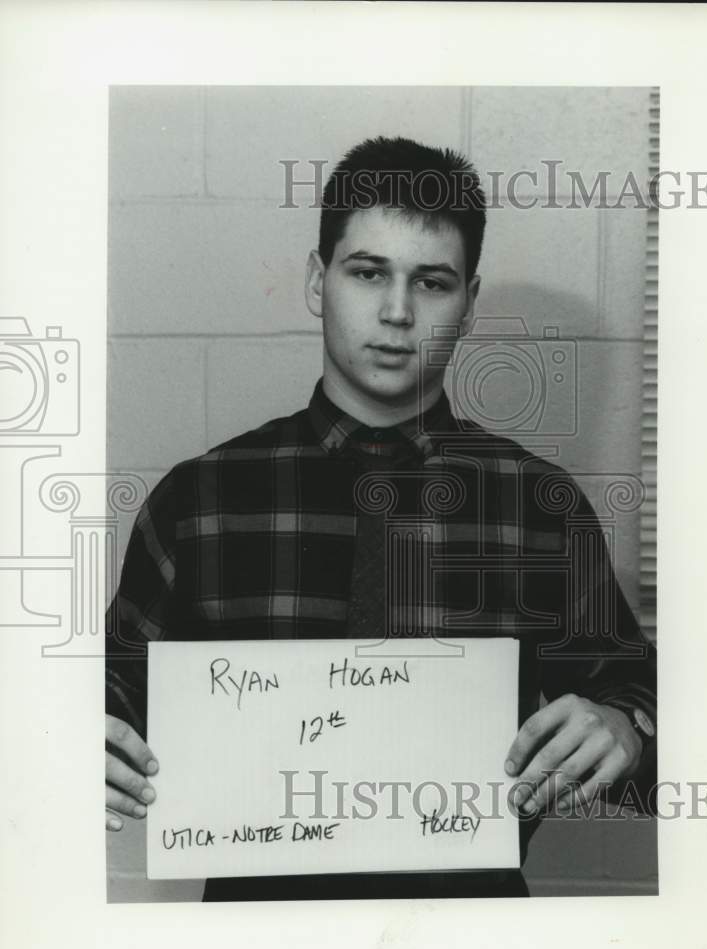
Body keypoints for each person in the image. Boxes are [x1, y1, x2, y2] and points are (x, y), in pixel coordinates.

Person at [105, 136, 656, 900]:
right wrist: (75, 738)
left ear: (469, 303)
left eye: (431, 283)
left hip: (473, 947)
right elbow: (111, 694)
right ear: (316, 281)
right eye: (368, 273)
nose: (398, 313)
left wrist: (626, 727)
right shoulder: (200, 501)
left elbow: (637, 699)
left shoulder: (538, 504)